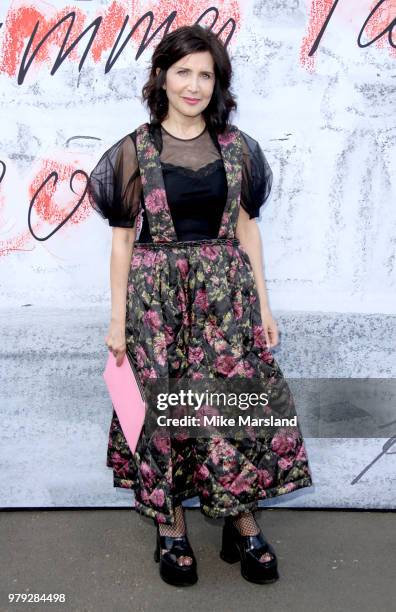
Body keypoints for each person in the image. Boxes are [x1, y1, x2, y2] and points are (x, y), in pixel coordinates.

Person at [88, 24, 313, 587]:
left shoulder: (238, 149)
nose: (194, 85)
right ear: (162, 77)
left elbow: (247, 231)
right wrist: (118, 321)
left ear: (219, 83)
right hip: (155, 305)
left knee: (228, 407)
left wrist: (264, 305)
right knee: (164, 414)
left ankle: (241, 518)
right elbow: (121, 241)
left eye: (205, 74)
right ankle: (171, 529)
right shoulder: (132, 151)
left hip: (225, 300)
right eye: (183, 72)